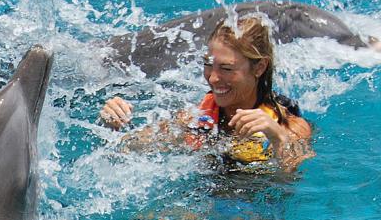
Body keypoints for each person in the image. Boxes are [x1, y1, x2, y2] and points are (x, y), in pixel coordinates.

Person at [99, 17, 313, 171]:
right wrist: (113, 124)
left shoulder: (289, 123)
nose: (212, 78)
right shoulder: (193, 119)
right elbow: (128, 149)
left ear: (259, 68)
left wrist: (276, 135)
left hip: (255, 206)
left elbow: (289, 176)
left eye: (226, 69)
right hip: (203, 197)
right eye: (208, 64)